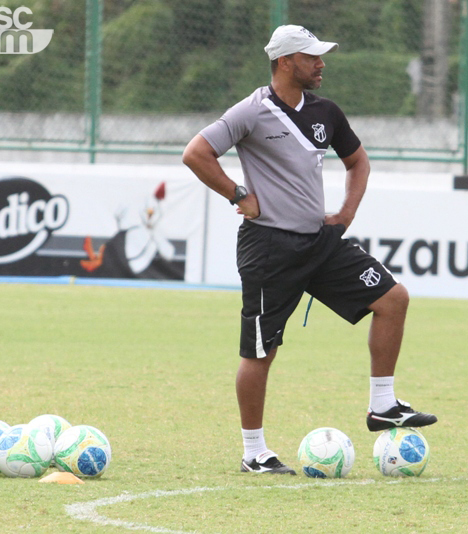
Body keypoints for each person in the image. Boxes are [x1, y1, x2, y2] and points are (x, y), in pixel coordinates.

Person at [183, 25, 437, 475]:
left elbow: (357, 161)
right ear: (285, 62)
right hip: (269, 249)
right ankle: (254, 452)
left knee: (392, 298)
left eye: (322, 56)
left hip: (320, 243)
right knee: (260, 352)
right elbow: (196, 153)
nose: (322, 64)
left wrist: (345, 213)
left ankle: (382, 406)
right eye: (312, 56)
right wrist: (238, 194)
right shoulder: (251, 111)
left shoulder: (326, 112)